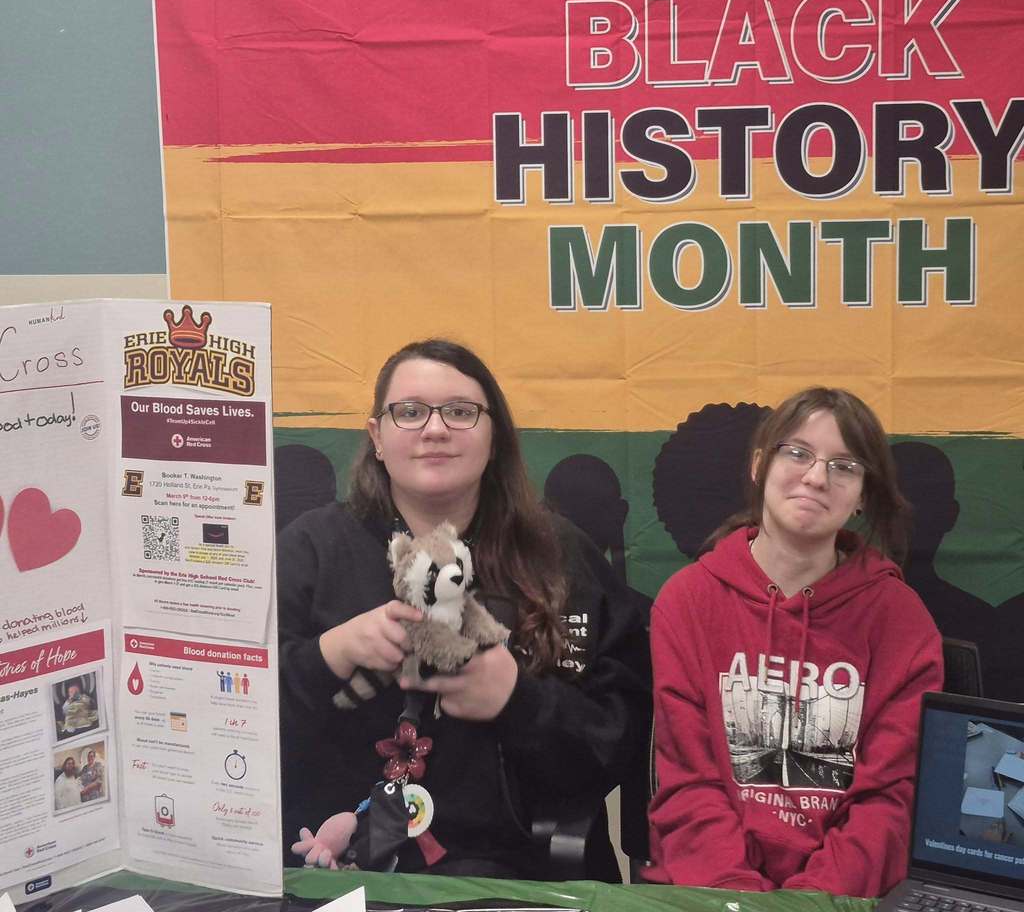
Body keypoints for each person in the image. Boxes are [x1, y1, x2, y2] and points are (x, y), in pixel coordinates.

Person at [277, 338, 650, 878]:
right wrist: (328, 655)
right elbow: (234, 724)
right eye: (408, 412)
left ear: (494, 436)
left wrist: (517, 699)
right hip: (337, 863)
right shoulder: (313, 548)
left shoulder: (559, 554)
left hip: (517, 868)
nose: (434, 429)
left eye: (460, 411)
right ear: (376, 438)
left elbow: (620, 740)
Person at [647, 386, 943, 898]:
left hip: (845, 896)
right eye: (798, 452)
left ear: (862, 498)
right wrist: (739, 898)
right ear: (761, 464)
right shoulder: (687, 601)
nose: (816, 477)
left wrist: (808, 904)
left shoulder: (900, 619)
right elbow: (688, 786)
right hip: (710, 892)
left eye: (844, 466)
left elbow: (888, 803)